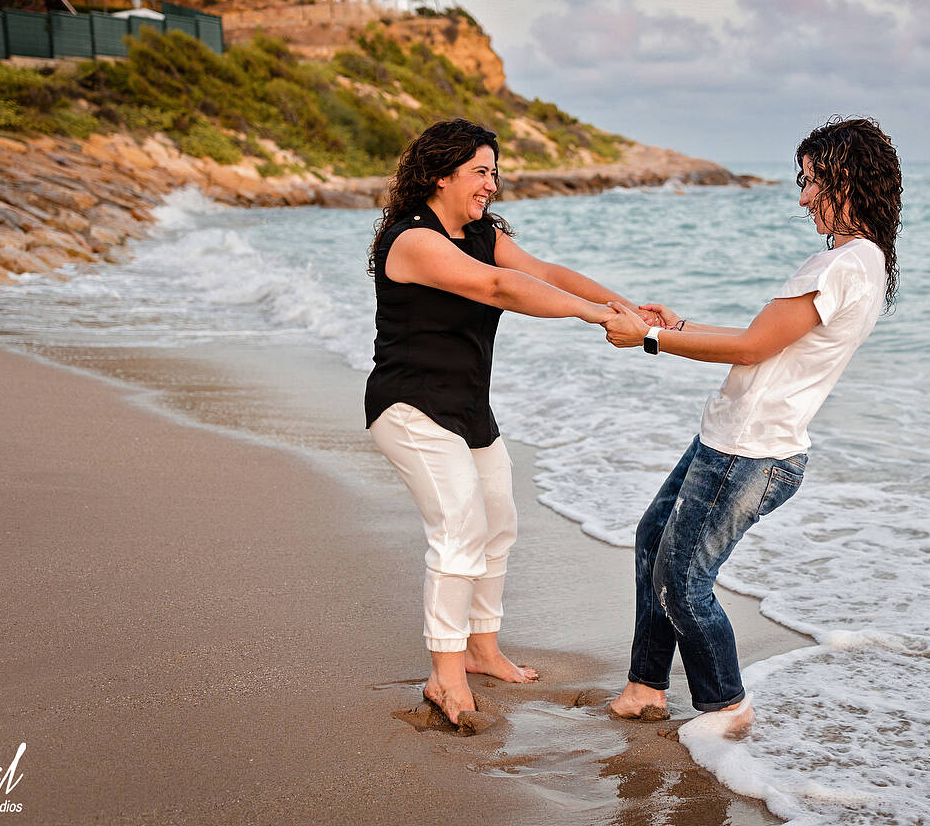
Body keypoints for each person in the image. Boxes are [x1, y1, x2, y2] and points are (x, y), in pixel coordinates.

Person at [601, 116, 902, 732]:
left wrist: (652, 338)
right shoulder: (859, 264)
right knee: (654, 539)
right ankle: (646, 687)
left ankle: (728, 709)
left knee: (684, 581)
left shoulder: (842, 266)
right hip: (733, 437)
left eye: (812, 182)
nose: (802, 197)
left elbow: (750, 350)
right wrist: (680, 327)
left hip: (751, 449)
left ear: (845, 180)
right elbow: (760, 342)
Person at [366, 118, 653, 725]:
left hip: (468, 408)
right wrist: (596, 318)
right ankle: (443, 677)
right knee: (460, 525)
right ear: (440, 174)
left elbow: (543, 273)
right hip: (408, 405)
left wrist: (626, 308)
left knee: (498, 521)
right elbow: (501, 287)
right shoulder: (411, 240)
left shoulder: (482, 232)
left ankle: (481, 649)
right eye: (480, 171)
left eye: (495, 172)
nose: (491, 184)